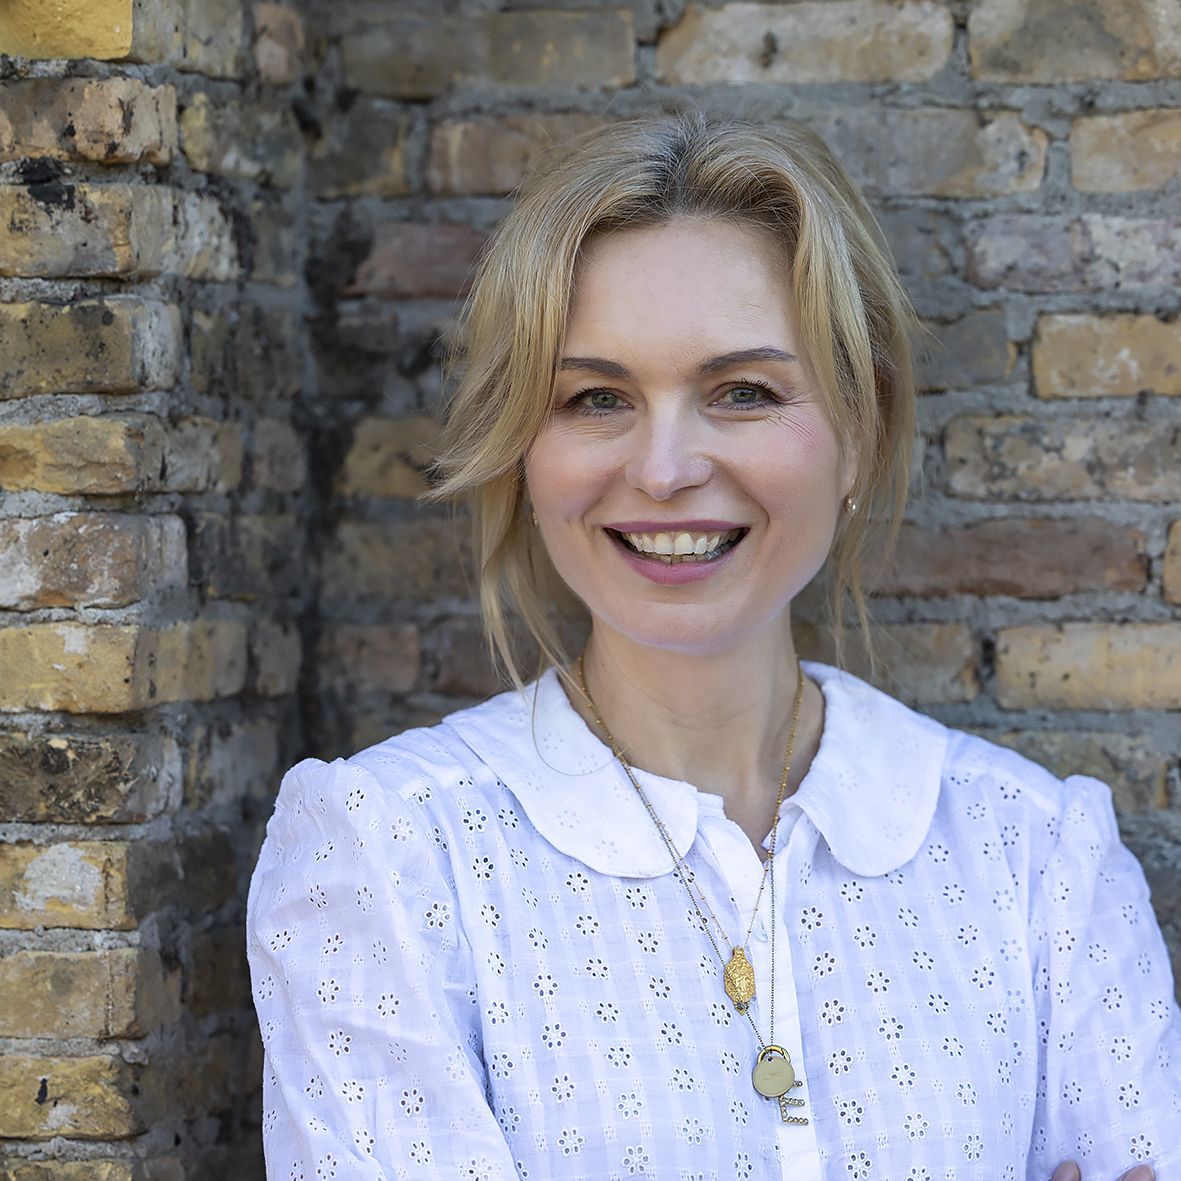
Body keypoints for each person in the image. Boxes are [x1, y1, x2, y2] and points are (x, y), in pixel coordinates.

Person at [247, 116, 1181, 1179]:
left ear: (858, 428)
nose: (663, 468)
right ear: (525, 447)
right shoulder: (391, 854)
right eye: (595, 398)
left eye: (743, 392)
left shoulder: (1036, 855)